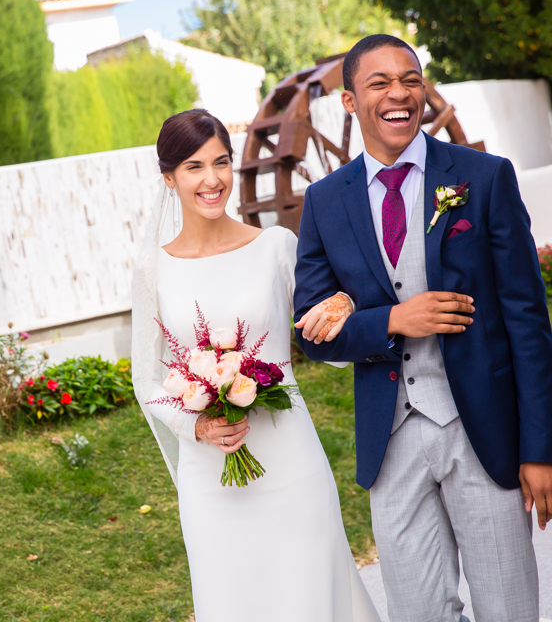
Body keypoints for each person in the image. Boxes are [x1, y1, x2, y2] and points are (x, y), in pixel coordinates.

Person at [293, 34, 552, 622]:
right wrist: (393, 320)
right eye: (380, 83)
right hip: (390, 442)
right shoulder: (324, 202)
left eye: (410, 80)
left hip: (484, 433)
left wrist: (542, 449)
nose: (399, 94)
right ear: (349, 102)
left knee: (508, 608)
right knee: (417, 614)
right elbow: (312, 333)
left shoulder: (484, 177)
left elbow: (527, 317)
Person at [130, 109, 381, 622]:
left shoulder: (276, 247)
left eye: (221, 162)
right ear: (169, 178)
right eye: (194, 167)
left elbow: (324, 330)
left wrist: (344, 307)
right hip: (209, 477)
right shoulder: (153, 269)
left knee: (312, 595)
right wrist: (195, 423)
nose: (212, 179)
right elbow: (146, 378)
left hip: (291, 461)